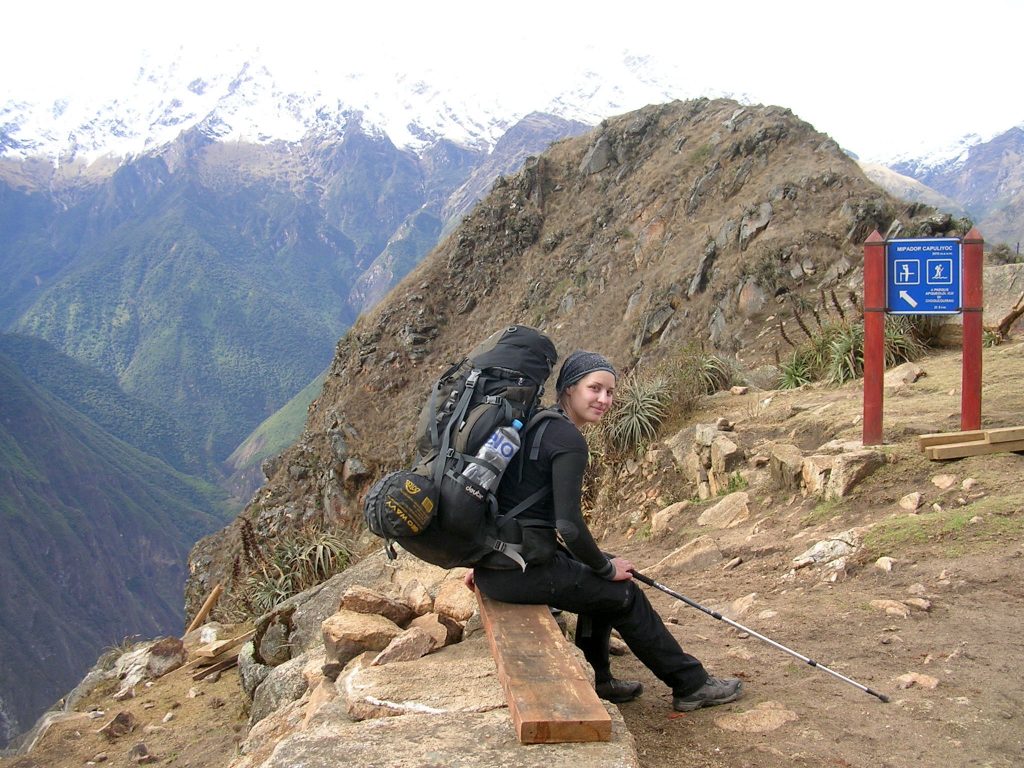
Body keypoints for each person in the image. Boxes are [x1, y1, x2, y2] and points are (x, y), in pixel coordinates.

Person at [464, 350, 744, 711]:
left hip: (504, 563)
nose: (604, 400)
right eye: (594, 388)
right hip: (522, 569)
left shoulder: (533, 423)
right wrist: (605, 569)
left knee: (603, 576)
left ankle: (601, 678)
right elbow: (568, 525)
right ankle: (690, 685)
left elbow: (498, 498)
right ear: (568, 389)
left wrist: (485, 559)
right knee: (623, 592)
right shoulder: (567, 439)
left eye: (610, 392)